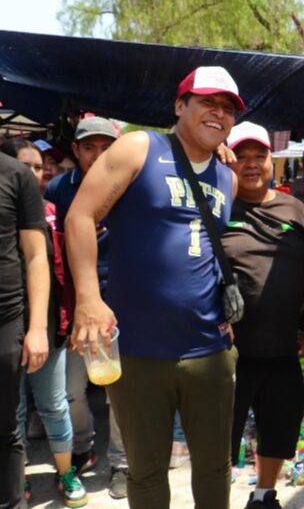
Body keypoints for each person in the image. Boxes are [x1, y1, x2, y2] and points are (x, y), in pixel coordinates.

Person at [65, 65, 243, 508]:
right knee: (145, 472)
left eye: (227, 108)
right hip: (140, 351)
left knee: (215, 467)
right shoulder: (140, 147)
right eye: (207, 102)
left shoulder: (227, 175)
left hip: (208, 348)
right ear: (180, 106)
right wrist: (88, 298)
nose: (218, 114)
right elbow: (80, 217)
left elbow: (203, 248)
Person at [221, 121, 304, 509]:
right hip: (229, 351)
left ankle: (264, 496)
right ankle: (216, 496)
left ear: (271, 160)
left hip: (282, 346)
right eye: (241, 157)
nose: (251, 165)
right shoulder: (216, 208)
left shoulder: (296, 209)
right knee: (221, 434)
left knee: (280, 425)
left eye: (259, 156)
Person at [45, 115, 129, 499]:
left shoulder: (132, 184)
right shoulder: (60, 189)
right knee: (72, 390)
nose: (98, 156)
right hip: (76, 304)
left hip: (124, 301)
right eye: (89, 148)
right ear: (76, 151)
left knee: (119, 390)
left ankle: (123, 464)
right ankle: (83, 447)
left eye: (106, 148)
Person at [1, 138, 86, 507]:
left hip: (44, 326)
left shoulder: (52, 212)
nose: (36, 173)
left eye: (39, 167)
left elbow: (57, 272)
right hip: (14, 328)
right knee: (13, 412)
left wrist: (55, 325)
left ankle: (65, 472)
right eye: (28, 166)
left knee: (53, 404)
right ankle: (16, 481)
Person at [0, 148, 49, 508]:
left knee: (4, 429)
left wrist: (37, 328)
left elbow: (35, 256)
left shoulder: (16, 175)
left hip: (6, 321)